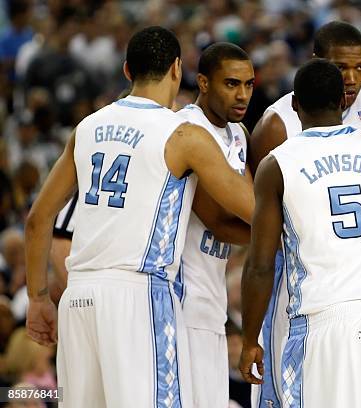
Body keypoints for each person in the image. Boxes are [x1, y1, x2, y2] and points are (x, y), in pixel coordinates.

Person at [24, 26, 254, 407]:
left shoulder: (87, 128)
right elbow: (252, 210)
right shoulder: (183, 134)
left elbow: (38, 218)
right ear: (178, 70)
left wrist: (38, 298)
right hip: (138, 295)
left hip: (79, 295)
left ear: (127, 70)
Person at [240, 58, 361, 407]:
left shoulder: (277, 164)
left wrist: (249, 341)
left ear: (294, 105)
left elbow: (260, 265)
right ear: (343, 102)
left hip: (325, 322)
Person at [176, 42, 254, 408]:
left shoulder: (238, 134)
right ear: (204, 82)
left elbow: (253, 203)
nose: (243, 95)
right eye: (232, 84)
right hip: (182, 294)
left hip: (212, 290)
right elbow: (219, 221)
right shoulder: (186, 130)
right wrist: (286, 237)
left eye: (249, 84)